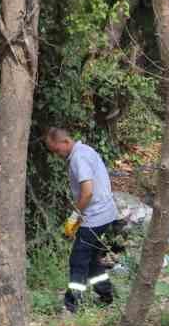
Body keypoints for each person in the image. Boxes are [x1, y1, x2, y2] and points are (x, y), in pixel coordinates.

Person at [44, 127, 120, 313]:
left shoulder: (79, 158)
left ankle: (71, 305)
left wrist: (74, 217)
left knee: (78, 260)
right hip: (105, 213)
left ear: (65, 142)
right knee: (92, 259)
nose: (57, 155)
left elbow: (87, 192)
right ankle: (106, 295)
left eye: (56, 150)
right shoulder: (86, 150)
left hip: (95, 216)